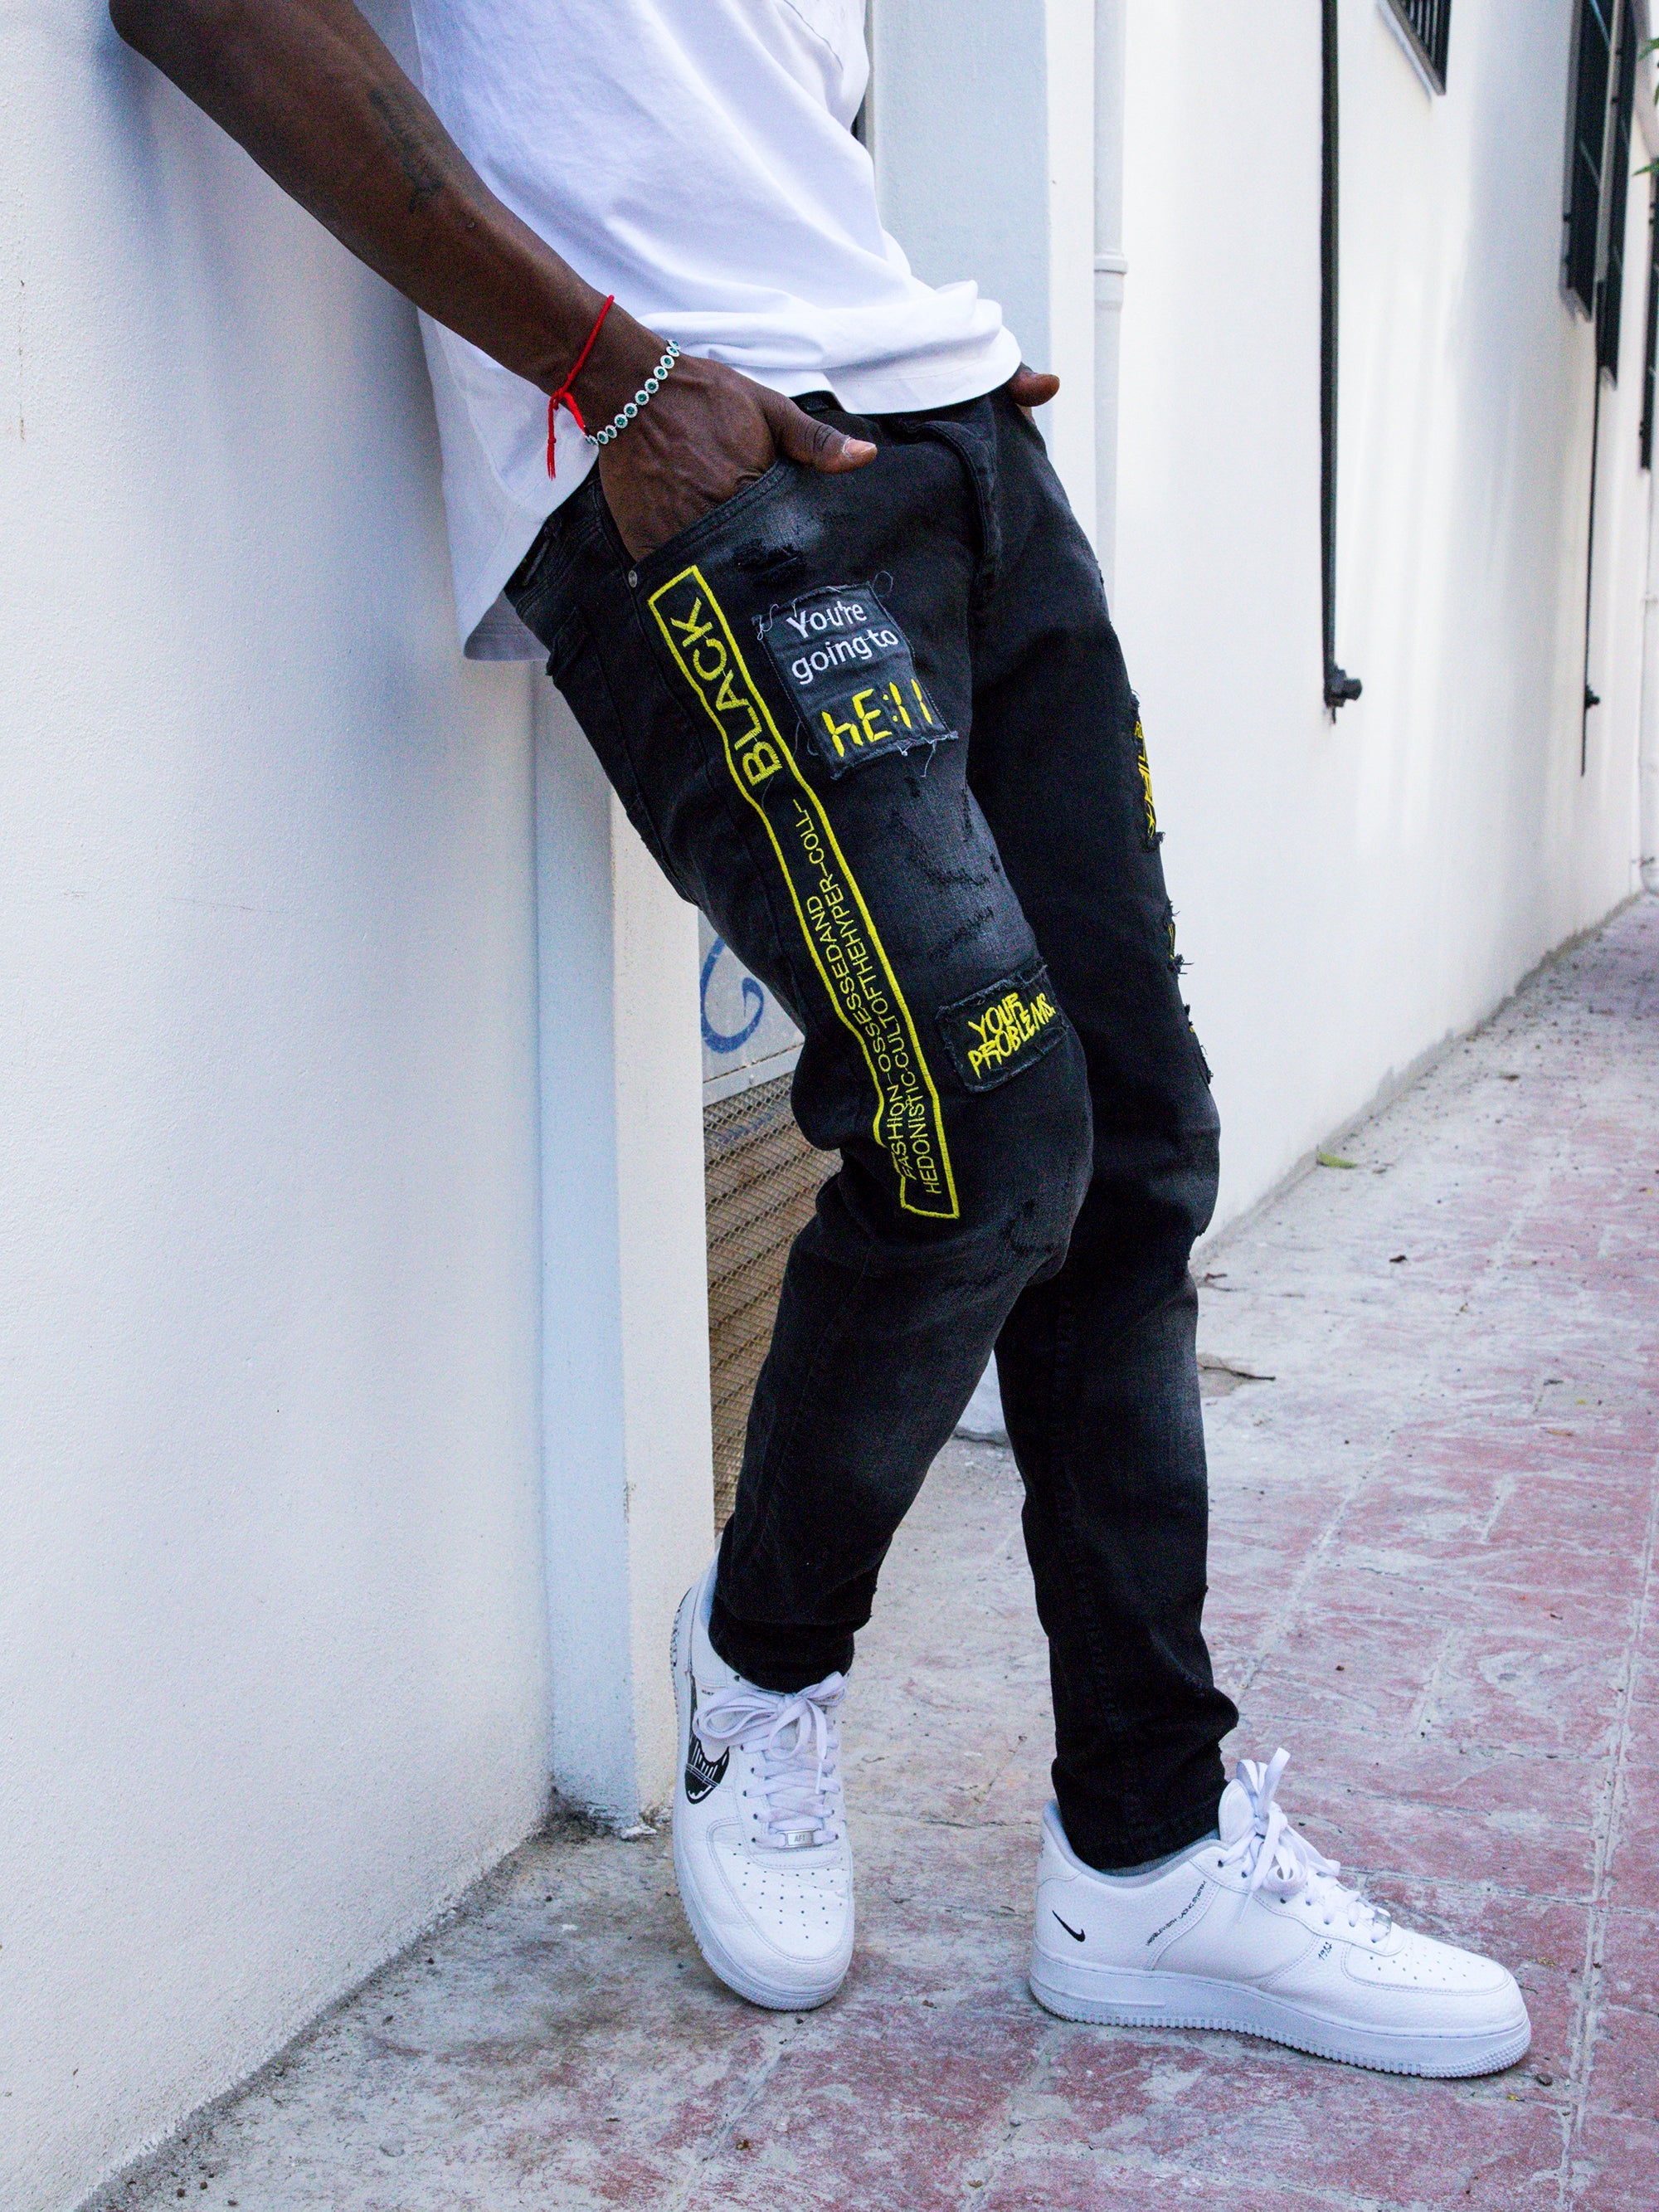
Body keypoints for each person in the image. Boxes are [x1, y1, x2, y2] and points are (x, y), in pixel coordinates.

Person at [111, 0, 1530, 2077]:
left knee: (1132, 1145)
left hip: (948, 432)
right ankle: (760, 1667)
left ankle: (1150, 1854)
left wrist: (923, 357)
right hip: (680, 450)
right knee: (982, 1113)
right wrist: (606, 368)